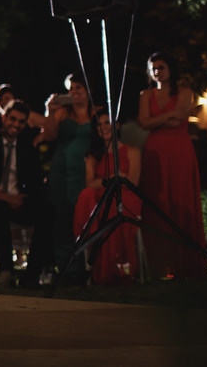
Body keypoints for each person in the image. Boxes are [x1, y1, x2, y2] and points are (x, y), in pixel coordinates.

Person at [137, 52, 207, 279]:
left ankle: (185, 264)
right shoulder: (145, 95)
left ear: (170, 68)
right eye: (153, 68)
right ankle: (160, 266)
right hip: (155, 153)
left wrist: (160, 119)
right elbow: (144, 122)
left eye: (161, 66)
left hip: (179, 152)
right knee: (158, 202)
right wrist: (170, 116)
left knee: (180, 200)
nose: (157, 71)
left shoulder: (185, 92)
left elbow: (180, 118)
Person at [0, 100, 54, 287]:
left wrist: (21, 198)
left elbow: (35, 180)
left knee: (47, 212)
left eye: (21, 122)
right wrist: (3, 196)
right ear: (4, 118)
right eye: (12, 119)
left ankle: (32, 273)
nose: (16, 125)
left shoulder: (27, 147)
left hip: (20, 199)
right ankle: (6, 270)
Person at [72, 109, 142, 285]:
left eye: (107, 123)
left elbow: (132, 181)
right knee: (89, 197)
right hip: (102, 197)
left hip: (126, 196)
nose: (103, 127)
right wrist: (113, 178)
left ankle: (118, 269)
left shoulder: (132, 151)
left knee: (110, 207)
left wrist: (110, 180)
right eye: (99, 124)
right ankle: (100, 265)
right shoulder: (93, 155)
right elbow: (90, 183)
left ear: (116, 125)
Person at [39, 73, 94, 273]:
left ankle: (88, 265)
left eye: (78, 87)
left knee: (84, 215)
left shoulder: (97, 112)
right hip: (62, 169)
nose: (74, 92)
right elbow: (49, 136)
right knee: (62, 217)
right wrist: (50, 112)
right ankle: (65, 267)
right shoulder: (63, 112)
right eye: (70, 88)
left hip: (87, 171)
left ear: (87, 90)